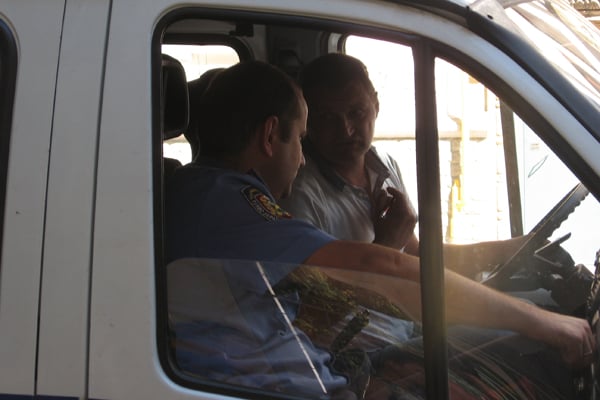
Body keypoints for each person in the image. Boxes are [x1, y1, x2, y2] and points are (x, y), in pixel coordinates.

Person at [165, 60, 594, 399]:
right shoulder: (228, 201)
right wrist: (544, 324)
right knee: (532, 364)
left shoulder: (204, 193)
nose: (302, 158)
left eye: (357, 113)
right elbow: (379, 268)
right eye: (300, 139)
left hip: (317, 373)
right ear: (270, 135)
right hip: (298, 384)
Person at [279, 53, 529, 280]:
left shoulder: (384, 166)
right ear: (308, 121)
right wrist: (387, 245)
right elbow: (318, 304)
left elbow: (416, 256)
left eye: (356, 112)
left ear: (376, 106)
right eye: (327, 117)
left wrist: (506, 251)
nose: (346, 130)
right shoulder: (301, 195)